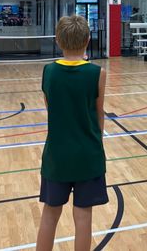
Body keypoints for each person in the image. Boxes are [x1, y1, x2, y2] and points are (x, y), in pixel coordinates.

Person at [36, 15, 108, 251]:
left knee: (50, 214)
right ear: (88, 40)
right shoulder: (98, 73)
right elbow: (99, 114)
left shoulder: (48, 71)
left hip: (57, 154)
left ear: (57, 40)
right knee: (83, 215)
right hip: (88, 153)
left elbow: (51, 109)